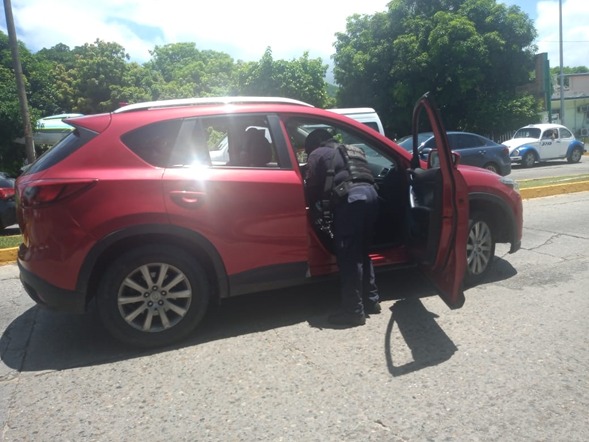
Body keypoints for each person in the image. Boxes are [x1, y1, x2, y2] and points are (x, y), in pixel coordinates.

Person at [304, 128, 381, 327]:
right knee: (363, 251)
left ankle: (353, 311)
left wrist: (315, 208)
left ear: (315, 143)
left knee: (349, 256)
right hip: (372, 196)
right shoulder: (352, 149)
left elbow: (311, 188)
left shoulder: (317, 153)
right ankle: (371, 300)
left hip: (351, 201)